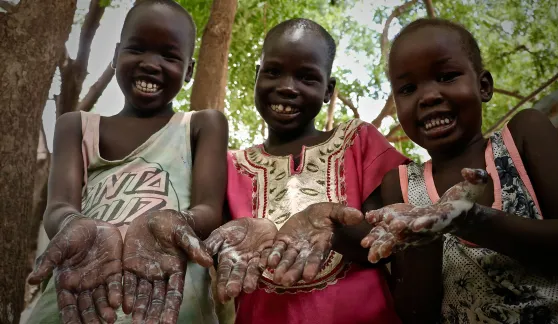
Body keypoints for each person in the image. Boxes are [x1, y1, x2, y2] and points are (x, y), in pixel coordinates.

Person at [361, 18, 558, 323]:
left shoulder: (524, 136)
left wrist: (475, 221)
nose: (428, 96)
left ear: (483, 86)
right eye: (408, 88)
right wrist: (425, 238)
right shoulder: (401, 186)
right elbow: (415, 313)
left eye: (447, 76)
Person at [26, 1, 230, 323]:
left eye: (169, 55)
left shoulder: (203, 125)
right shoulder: (75, 126)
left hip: (171, 304)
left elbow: (208, 210)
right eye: (137, 49)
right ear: (116, 53)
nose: (151, 64)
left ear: (189, 70)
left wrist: (170, 222)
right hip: (78, 295)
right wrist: (74, 225)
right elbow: (59, 206)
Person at [204, 18, 408, 324]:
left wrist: (333, 228)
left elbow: (389, 240)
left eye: (306, 77)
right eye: (273, 72)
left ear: (328, 90)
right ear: (256, 76)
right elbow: (218, 251)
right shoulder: (230, 167)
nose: (287, 87)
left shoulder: (358, 141)